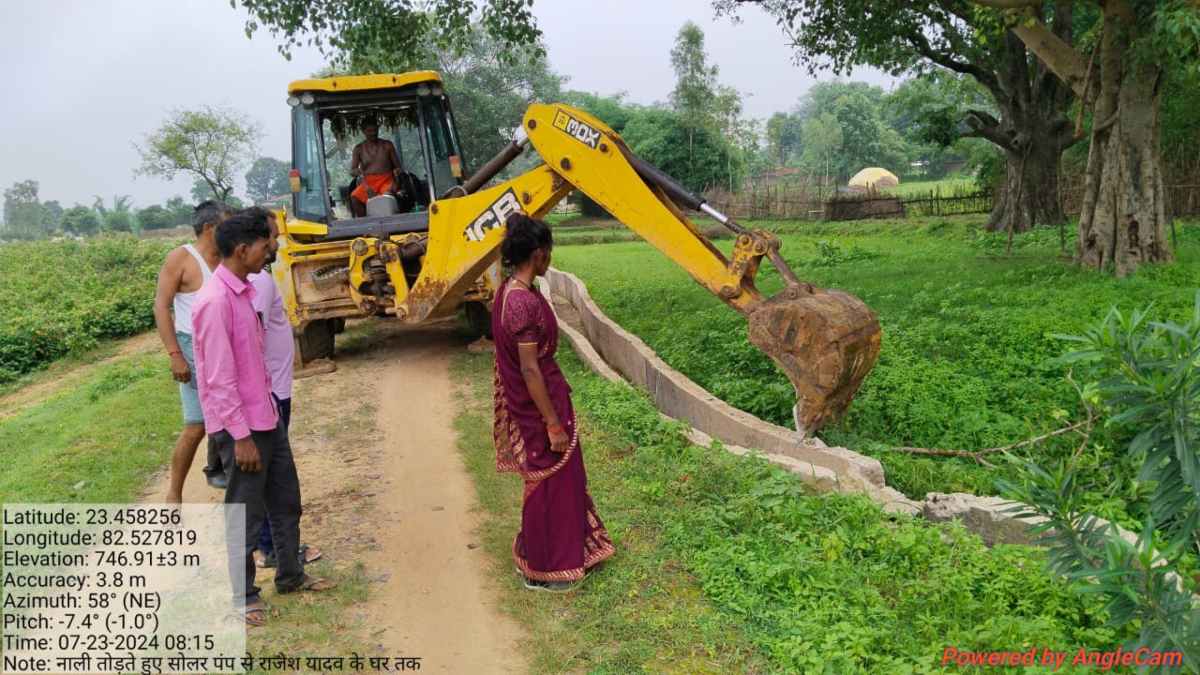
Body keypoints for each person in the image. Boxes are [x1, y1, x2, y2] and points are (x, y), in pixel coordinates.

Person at [192, 210, 334, 626]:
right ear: (242, 250)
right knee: (245, 515)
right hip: (242, 429)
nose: (270, 249)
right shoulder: (214, 302)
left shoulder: (244, 292)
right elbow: (218, 380)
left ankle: (291, 575)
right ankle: (244, 596)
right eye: (264, 244)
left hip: (266, 416)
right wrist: (240, 437)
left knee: (286, 501)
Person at [492, 213, 615, 592]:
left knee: (563, 479)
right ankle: (546, 568)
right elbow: (530, 369)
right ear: (539, 254)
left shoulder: (512, 290)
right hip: (538, 406)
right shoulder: (521, 304)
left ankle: (563, 553)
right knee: (550, 482)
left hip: (543, 397)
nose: (550, 258)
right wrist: (552, 423)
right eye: (549, 251)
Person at [242, 207, 322, 569]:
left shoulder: (256, 280)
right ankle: (271, 548)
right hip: (269, 392)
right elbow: (252, 337)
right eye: (272, 237)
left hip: (273, 388)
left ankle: (272, 547)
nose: (277, 244)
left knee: (269, 474)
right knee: (270, 476)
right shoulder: (256, 282)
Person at [154, 200, 231, 503]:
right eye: (226, 224)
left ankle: (227, 480)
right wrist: (175, 355)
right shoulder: (182, 259)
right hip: (193, 349)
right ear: (210, 228)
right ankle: (174, 493)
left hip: (225, 348)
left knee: (227, 418)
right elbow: (161, 306)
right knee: (197, 426)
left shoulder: (227, 257)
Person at [348, 117, 403, 217]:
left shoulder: (387, 145)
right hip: (368, 182)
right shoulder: (358, 149)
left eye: (375, 130)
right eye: (369, 131)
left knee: (386, 199)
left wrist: (397, 175)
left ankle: (390, 223)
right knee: (354, 197)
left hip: (387, 180)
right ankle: (365, 224)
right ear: (363, 131)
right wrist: (358, 174)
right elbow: (352, 171)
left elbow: (398, 167)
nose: (373, 133)